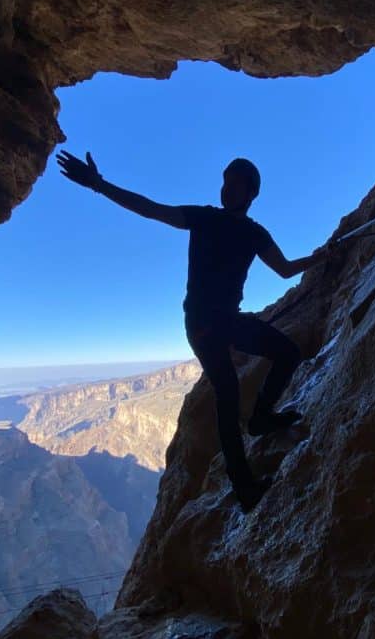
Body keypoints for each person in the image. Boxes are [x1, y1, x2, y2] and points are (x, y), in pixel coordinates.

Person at [56, 149, 339, 513]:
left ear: (251, 193)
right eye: (224, 183)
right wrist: (99, 185)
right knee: (227, 392)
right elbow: (149, 208)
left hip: (225, 320)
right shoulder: (205, 218)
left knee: (287, 353)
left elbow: (284, 269)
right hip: (204, 324)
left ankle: (261, 419)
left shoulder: (254, 233)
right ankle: (245, 486)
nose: (226, 190)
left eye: (234, 185)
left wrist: (322, 256)